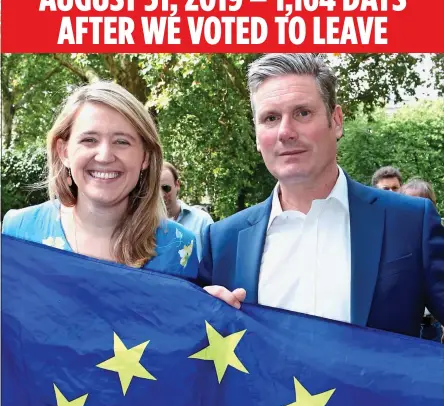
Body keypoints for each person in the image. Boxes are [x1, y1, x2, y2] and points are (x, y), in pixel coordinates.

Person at [200, 53, 444, 337]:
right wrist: (200, 318)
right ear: (256, 134)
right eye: (270, 118)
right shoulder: (222, 242)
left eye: (302, 113)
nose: (285, 132)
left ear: (336, 120)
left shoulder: (410, 222)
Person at [2, 82, 198, 280]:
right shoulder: (19, 231)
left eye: (122, 142)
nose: (104, 156)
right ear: (63, 151)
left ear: (145, 157)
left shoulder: (178, 247)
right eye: (89, 140)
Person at [399, 177, 442, 342]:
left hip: (433, 327)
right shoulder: (391, 241)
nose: (415, 209)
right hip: (404, 329)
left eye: (422, 203)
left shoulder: (438, 240)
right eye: (410, 202)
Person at [160, 162, 213, 260]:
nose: (161, 194)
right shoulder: (143, 225)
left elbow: (215, 261)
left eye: (165, 188)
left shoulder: (202, 221)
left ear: (177, 185)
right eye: (155, 190)